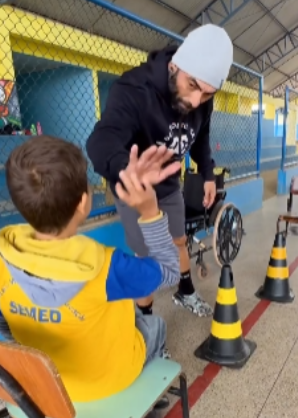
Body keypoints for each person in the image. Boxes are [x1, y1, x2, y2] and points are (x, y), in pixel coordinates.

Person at [0, 137, 181, 404]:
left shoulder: (4, 261)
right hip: (107, 382)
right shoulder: (105, 267)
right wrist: (150, 211)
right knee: (155, 324)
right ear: (83, 203)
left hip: (47, 386)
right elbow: (170, 270)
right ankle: (147, 395)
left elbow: (4, 325)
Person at [87, 24, 234, 318]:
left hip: (168, 186)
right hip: (136, 189)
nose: (196, 102)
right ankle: (148, 324)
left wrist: (207, 173)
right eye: (192, 86)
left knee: (178, 241)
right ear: (174, 65)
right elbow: (101, 140)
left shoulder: (203, 96)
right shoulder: (134, 89)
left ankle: (186, 291)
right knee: (147, 260)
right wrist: (128, 172)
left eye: (206, 95)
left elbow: (201, 136)